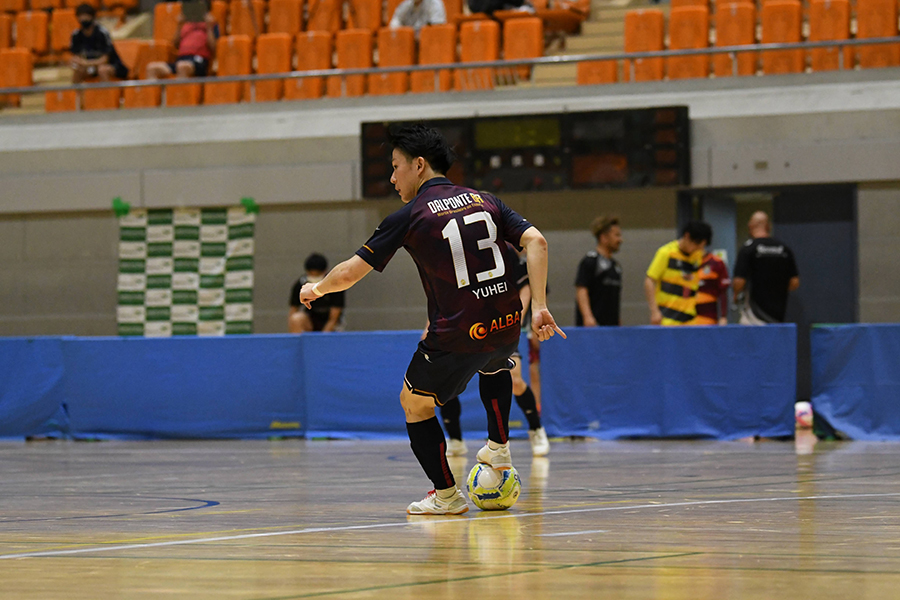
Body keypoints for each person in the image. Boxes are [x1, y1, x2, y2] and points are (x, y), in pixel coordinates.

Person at [298, 124, 565, 515]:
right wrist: (538, 304)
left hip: (457, 332)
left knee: (414, 404)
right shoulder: (487, 200)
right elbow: (536, 241)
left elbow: (350, 273)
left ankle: (447, 496)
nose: (393, 178)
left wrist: (317, 289)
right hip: (507, 322)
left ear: (419, 165)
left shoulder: (410, 215)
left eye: (396, 167)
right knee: (496, 364)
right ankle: (498, 447)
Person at [442, 245, 550, 459]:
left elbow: (525, 287)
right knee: (448, 380)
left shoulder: (504, 250)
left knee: (515, 380)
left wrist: (517, 317)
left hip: (500, 324)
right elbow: (445, 294)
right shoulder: (458, 252)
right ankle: (455, 439)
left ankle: (536, 429)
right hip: (467, 325)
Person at [733, 211, 800, 324]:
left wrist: (735, 295)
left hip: (754, 313)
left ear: (751, 225)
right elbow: (794, 283)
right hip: (778, 313)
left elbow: (739, 281)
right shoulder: (784, 249)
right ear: (768, 226)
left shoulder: (748, 249)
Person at [644, 221, 711, 326]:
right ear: (687, 236)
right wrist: (654, 311)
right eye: (696, 245)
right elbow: (649, 281)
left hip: (690, 322)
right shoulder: (666, 253)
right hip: (667, 320)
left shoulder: (697, 256)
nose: (698, 250)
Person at [146, 1, 219, 81]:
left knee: (182, 67)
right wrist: (179, 25)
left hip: (198, 61)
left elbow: (214, 48)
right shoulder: (184, 25)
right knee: (152, 68)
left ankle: (178, 89)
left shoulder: (212, 24)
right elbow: (175, 45)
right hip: (181, 59)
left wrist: (209, 27)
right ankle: (153, 89)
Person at [575, 215, 623, 327]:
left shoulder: (616, 266)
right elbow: (581, 290)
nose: (620, 240)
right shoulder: (590, 261)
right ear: (604, 237)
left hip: (611, 328)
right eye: (616, 235)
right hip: (593, 327)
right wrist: (587, 317)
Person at [69, 4, 129, 83]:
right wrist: (76, 62)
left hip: (112, 65)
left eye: (86, 17)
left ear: (92, 17)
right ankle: (76, 91)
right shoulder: (76, 35)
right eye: (81, 17)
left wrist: (86, 63)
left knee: (102, 69)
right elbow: (76, 57)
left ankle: (107, 91)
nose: (84, 19)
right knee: (78, 71)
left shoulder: (102, 33)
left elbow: (105, 60)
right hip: (91, 67)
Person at [290, 253, 345, 333]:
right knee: (296, 318)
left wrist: (322, 338)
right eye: (311, 274)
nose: (314, 277)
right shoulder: (300, 284)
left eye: (317, 275)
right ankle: (297, 341)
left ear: (324, 272)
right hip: (311, 321)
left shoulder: (334, 285)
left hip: (331, 322)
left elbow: (334, 317)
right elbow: (293, 311)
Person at [693, 248, 731, 325]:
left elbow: (723, 292)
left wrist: (723, 316)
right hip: (685, 320)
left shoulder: (717, 263)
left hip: (708, 319)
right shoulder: (683, 262)